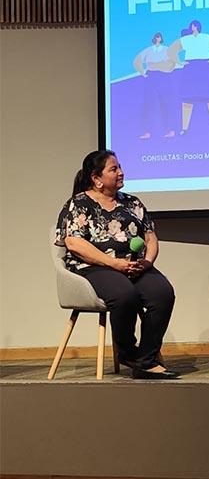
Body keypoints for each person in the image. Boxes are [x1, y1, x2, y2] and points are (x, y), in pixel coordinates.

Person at [54, 150, 177, 379]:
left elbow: (150, 237)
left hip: (133, 265)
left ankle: (146, 359)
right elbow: (74, 243)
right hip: (93, 266)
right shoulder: (79, 203)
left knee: (162, 293)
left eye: (119, 167)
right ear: (96, 178)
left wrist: (147, 262)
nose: (121, 172)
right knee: (124, 295)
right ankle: (128, 352)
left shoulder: (133, 203)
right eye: (114, 169)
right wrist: (113, 263)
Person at [167, 20, 209, 135]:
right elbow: (171, 50)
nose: (191, 27)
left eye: (192, 26)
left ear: (195, 27)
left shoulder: (206, 37)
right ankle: (184, 128)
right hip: (191, 68)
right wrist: (179, 62)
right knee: (187, 100)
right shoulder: (186, 39)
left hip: (204, 67)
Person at [132, 32, 177, 139]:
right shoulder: (148, 50)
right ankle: (147, 132)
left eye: (159, 37)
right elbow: (137, 61)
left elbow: (172, 64)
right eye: (156, 37)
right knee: (148, 104)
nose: (158, 38)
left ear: (161, 38)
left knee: (166, 104)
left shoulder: (166, 50)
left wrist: (159, 66)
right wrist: (143, 73)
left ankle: (170, 130)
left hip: (163, 77)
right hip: (151, 76)